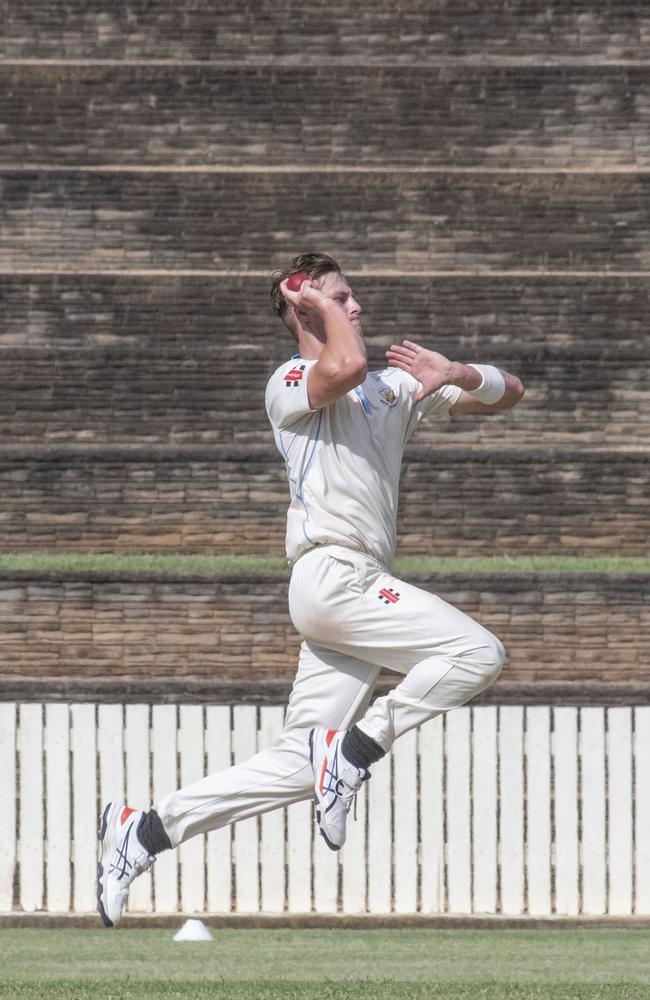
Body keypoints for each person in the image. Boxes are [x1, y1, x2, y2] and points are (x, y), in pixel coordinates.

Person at [97, 251, 525, 926]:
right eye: (341, 298)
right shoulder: (291, 381)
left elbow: (511, 391)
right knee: (479, 654)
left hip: (351, 590)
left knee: (300, 765)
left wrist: (456, 374)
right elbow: (343, 365)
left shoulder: (390, 389)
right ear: (306, 310)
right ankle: (355, 752)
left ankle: (144, 831)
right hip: (332, 575)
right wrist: (313, 301)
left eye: (352, 297)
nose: (357, 306)